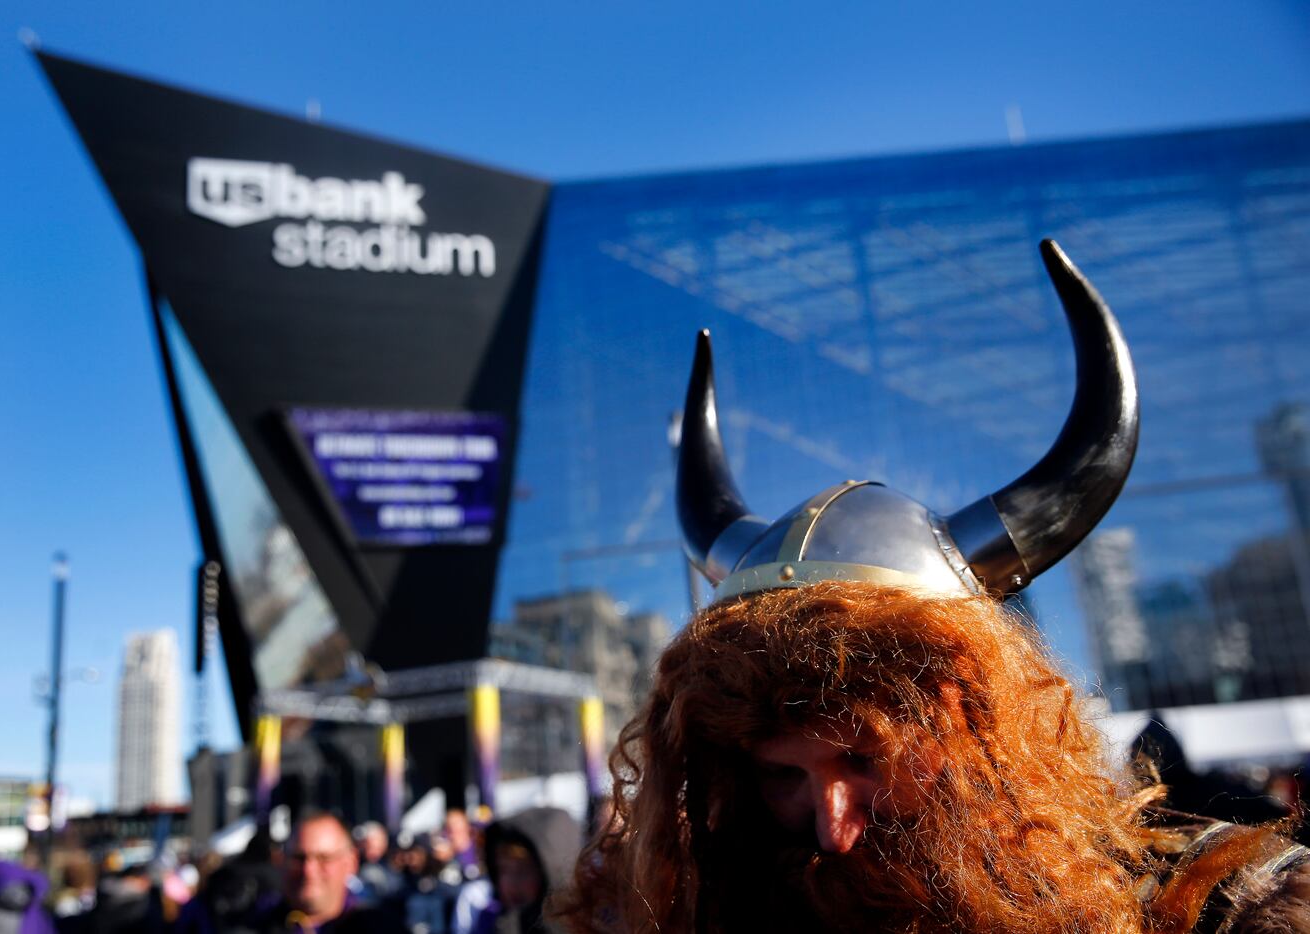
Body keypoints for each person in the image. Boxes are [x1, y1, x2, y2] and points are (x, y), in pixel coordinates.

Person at [559, 241, 1310, 933]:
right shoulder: (716, 912)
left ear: (979, 733)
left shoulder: (1203, 908)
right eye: (782, 774)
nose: (832, 828)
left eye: (865, 760)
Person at [241, 811, 404, 933]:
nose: (309, 870)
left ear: (351, 863)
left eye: (324, 858)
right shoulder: (250, 924)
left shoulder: (383, 928)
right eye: (299, 857)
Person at [472, 808, 580, 934]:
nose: (510, 882)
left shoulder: (583, 926)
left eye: (522, 871)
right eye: (503, 870)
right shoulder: (490, 922)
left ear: (550, 871)